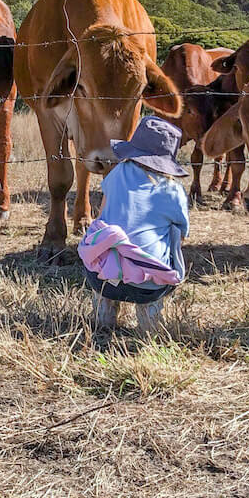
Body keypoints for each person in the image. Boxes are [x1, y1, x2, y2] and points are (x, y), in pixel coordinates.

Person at [78, 115, 190, 336]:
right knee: (172, 234)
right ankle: (149, 327)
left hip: (103, 278)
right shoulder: (173, 189)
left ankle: (103, 321)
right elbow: (183, 233)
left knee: (105, 241)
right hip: (149, 285)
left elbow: (102, 214)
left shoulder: (116, 173)